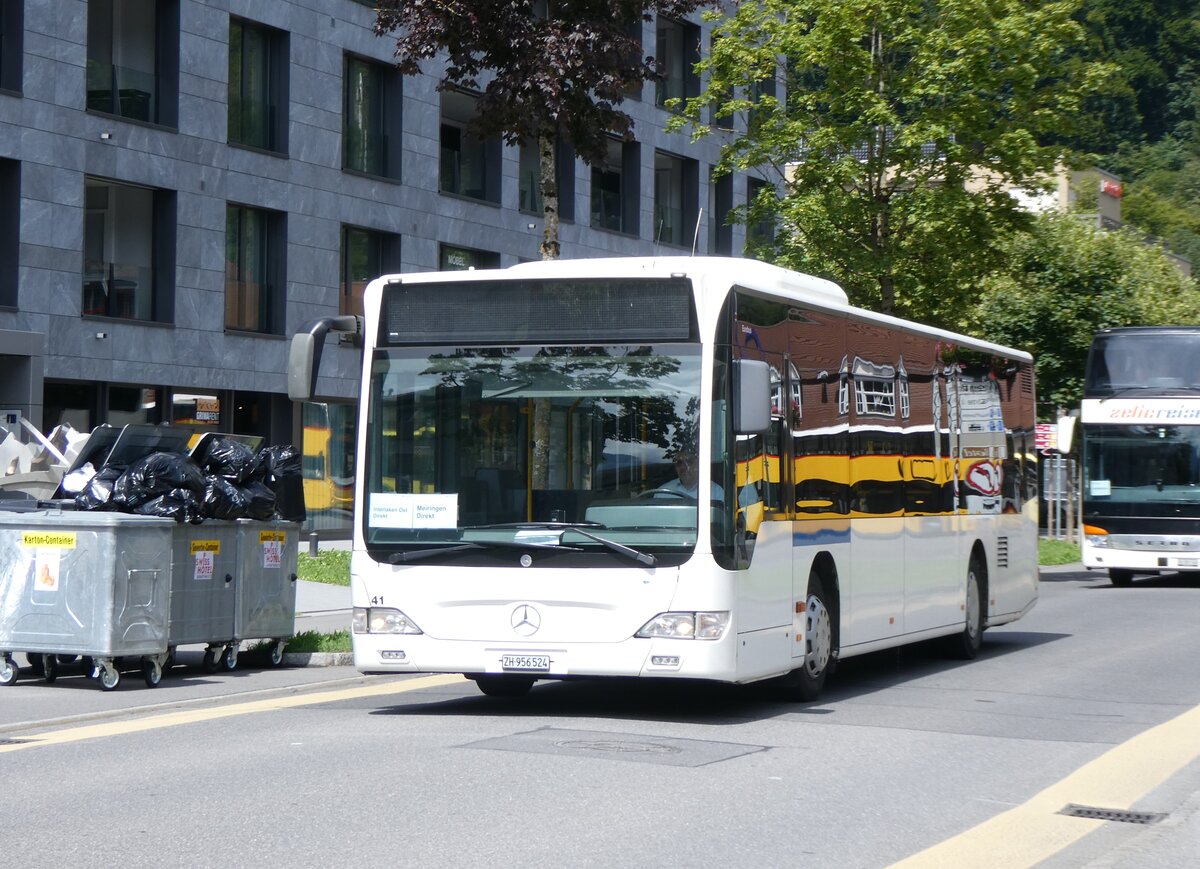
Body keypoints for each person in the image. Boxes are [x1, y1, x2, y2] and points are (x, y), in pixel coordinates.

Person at [658, 452, 724, 501]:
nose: (684, 467)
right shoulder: (663, 492)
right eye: (679, 463)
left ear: (698, 465)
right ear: (675, 467)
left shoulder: (716, 492)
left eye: (689, 462)